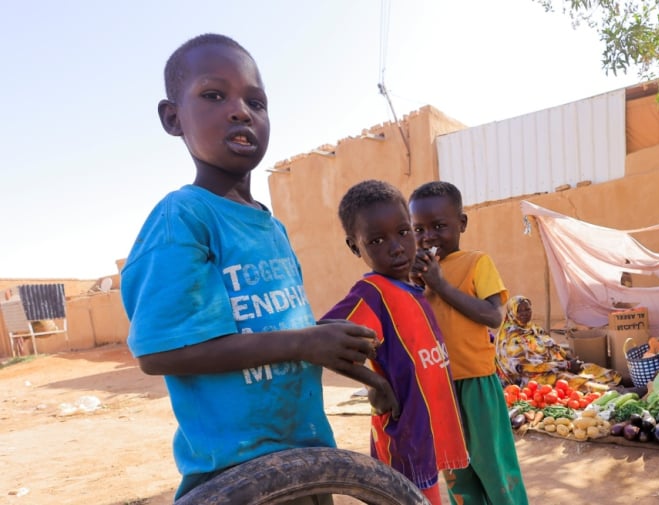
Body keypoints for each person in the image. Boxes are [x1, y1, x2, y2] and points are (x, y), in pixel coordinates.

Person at [121, 34, 396, 501]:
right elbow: (159, 353)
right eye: (214, 95)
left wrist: (364, 371)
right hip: (236, 473)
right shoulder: (183, 218)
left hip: (307, 457)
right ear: (173, 118)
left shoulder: (271, 228)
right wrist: (306, 341)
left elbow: (284, 336)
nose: (240, 110)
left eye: (256, 101)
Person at [321, 180, 469, 504]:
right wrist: (376, 383)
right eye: (376, 240)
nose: (397, 247)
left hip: (425, 431)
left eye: (404, 232)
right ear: (354, 246)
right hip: (406, 437)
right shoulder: (373, 292)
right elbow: (320, 337)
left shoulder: (412, 288)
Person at [409, 181, 529, 505]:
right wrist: (416, 287)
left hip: (476, 382)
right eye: (418, 229)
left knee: (493, 465)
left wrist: (440, 285)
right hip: (437, 387)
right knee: (455, 468)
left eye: (439, 226)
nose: (428, 236)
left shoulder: (478, 262)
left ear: (461, 224)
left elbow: (493, 316)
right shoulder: (414, 275)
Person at [495, 295, 620, 392]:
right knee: (567, 380)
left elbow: (552, 346)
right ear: (512, 313)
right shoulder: (509, 338)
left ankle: (619, 382)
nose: (524, 313)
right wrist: (566, 365)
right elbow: (525, 367)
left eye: (527, 309)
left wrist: (568, 358)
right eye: (520, 311)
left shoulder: (533, 328)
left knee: (589, 368)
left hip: (553, 367)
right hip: (527, 380)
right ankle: (615, 391)